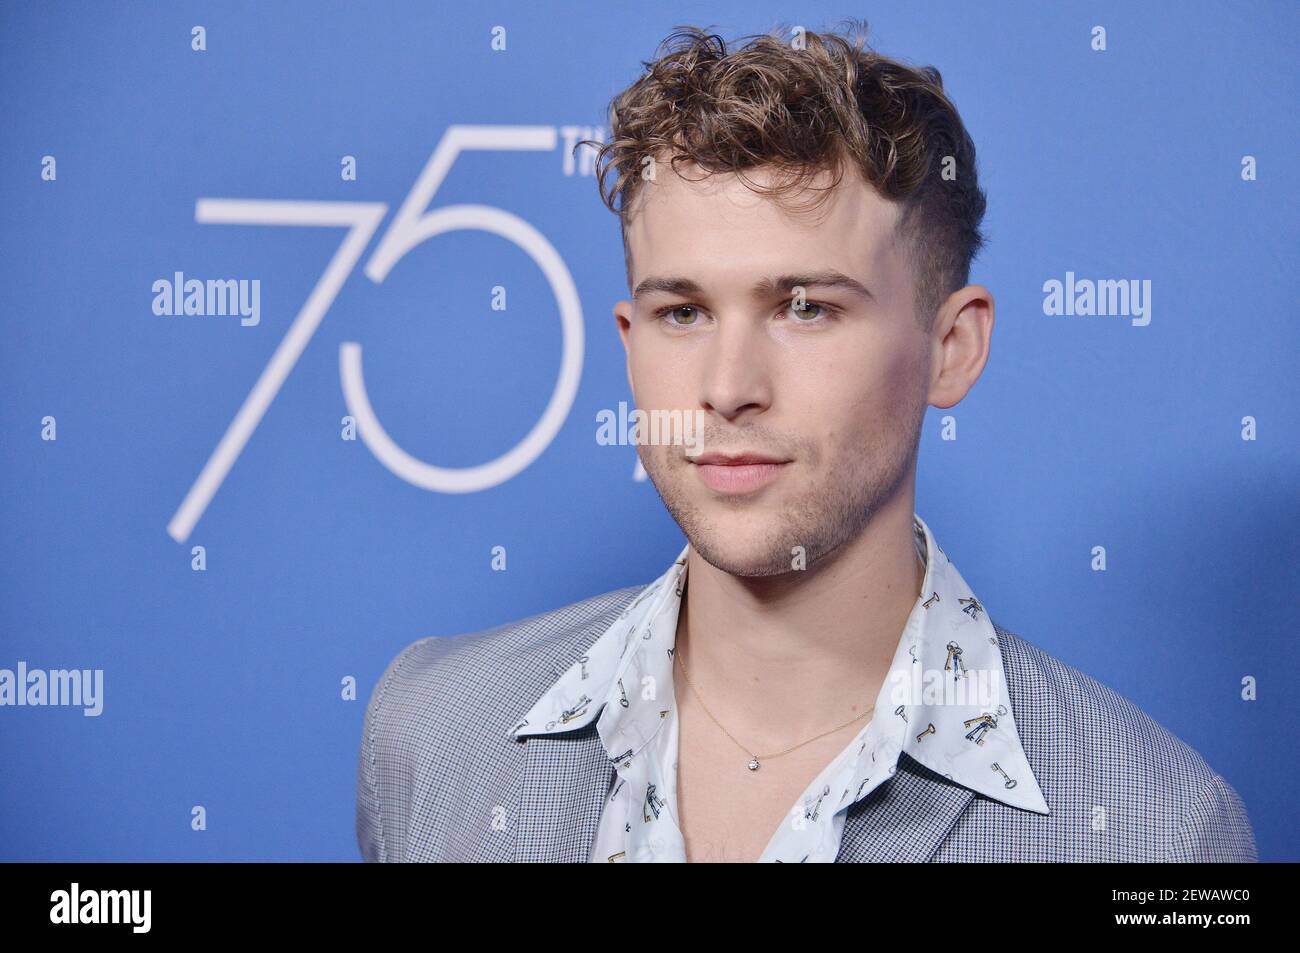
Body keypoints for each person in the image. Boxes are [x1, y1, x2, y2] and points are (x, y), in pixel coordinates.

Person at [356, 23, 1256, 862]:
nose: (728, 387)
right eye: (683, 312)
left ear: (952, 349)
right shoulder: (433, 730)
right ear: (630, 347)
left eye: (806, 308)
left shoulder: (1155, 830)